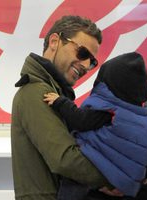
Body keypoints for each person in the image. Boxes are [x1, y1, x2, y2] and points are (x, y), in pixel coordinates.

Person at [11, 15, 116, 200]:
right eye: (82, 53)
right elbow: (65, 160)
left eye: (92, 62)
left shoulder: (55, 93)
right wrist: (115, 178)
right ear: (54, 41)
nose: (85, 65)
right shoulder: (36, 91)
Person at [43, 52, 147, 200]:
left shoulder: (108, 111)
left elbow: (80, 120)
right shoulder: (146, 122)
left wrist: (60, 102)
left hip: (97, 175)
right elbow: (145, 151)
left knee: (71, 186)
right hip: (125, 186)